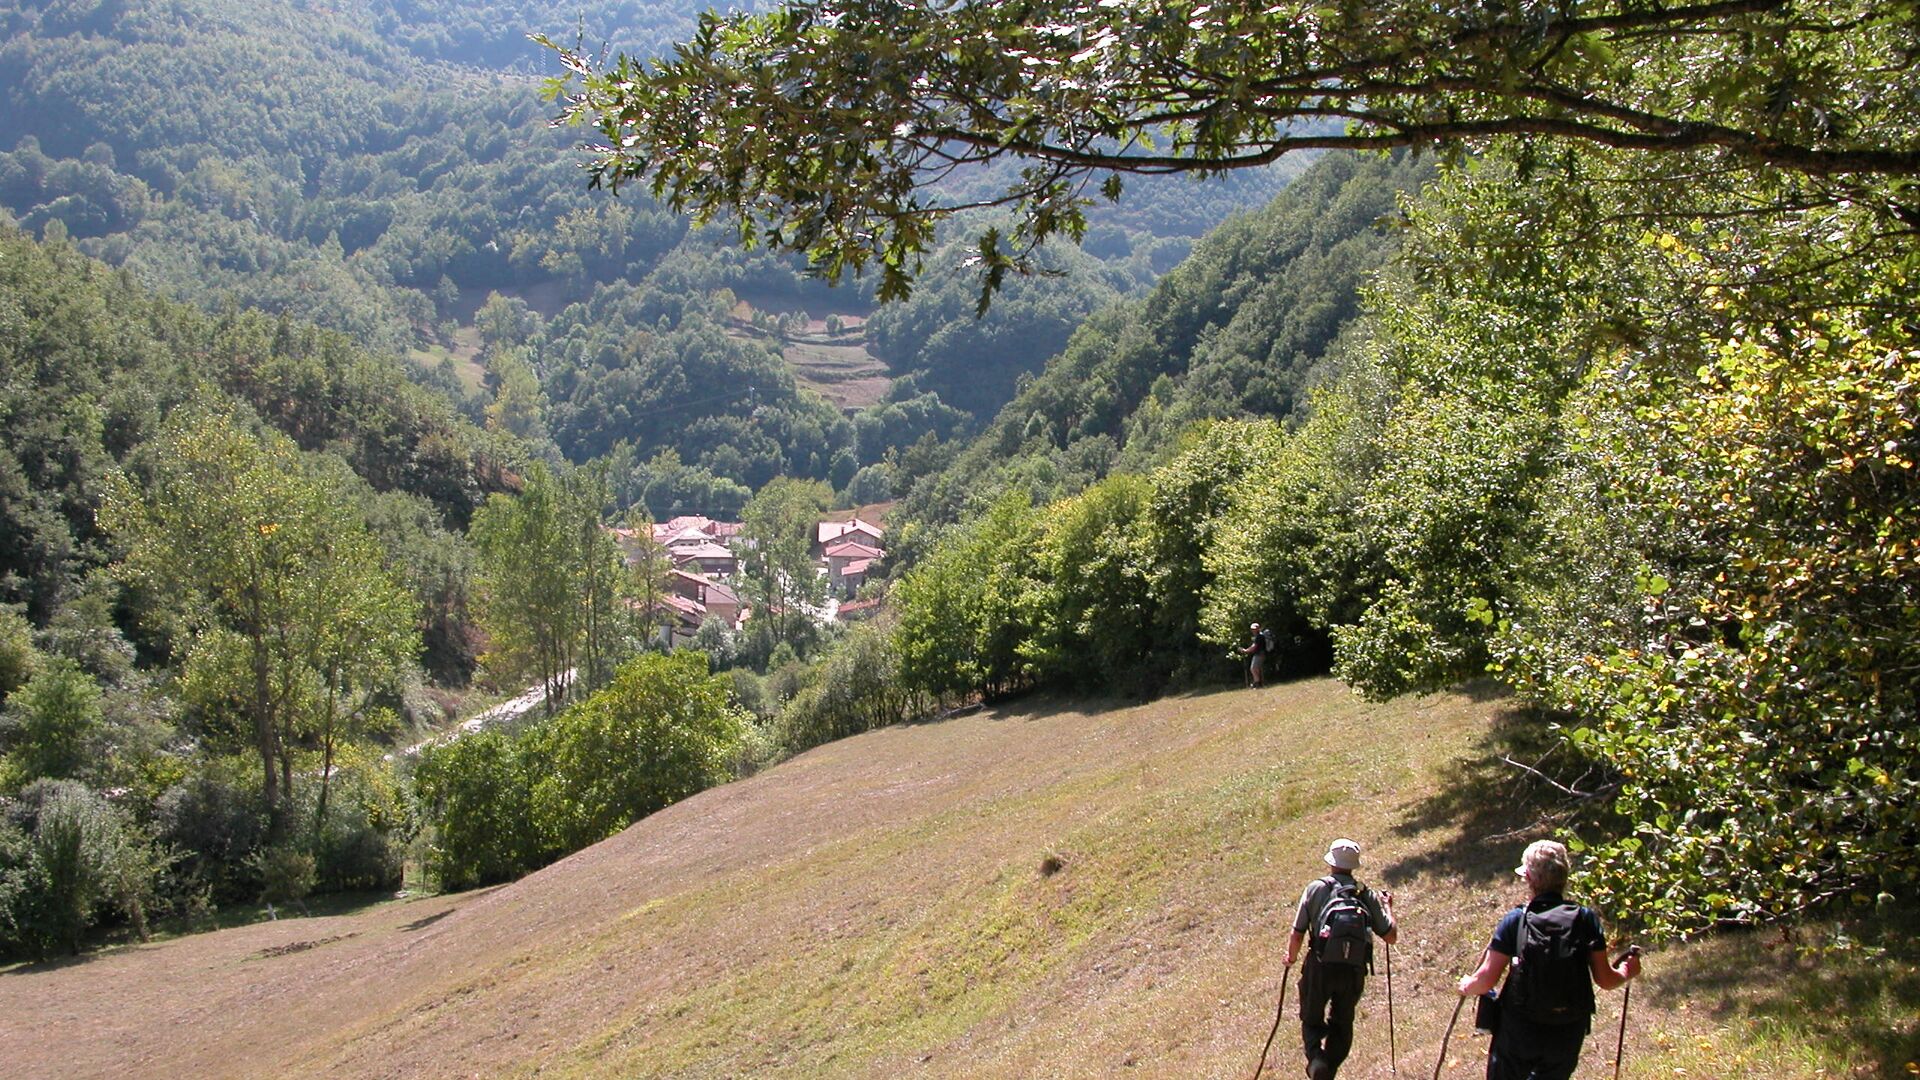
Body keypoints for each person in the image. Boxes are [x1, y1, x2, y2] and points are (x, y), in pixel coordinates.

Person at [1456, 840, 1642, 1080]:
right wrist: (1627, 970)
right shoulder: (1585, 919)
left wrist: (1466, 985)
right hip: (1567, 1030)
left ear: (1530, 878)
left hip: (1519, 1029)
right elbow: (1605, 980)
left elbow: (1486, 980)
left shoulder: (1516, 920)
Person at [1283, 838, 1397, 1080]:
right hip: (1353, 969)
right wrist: (1388, 907)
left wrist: (1291, 958)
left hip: (1320, 965)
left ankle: (1316, 1059)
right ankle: (1328, 1069)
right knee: (1342, 1023)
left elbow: (1298, 932)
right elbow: (1390, 936)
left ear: (1331, 863)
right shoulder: (1365, 894)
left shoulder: (1316, 888)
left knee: (1311, 1019)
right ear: (1354, 865)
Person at [1241, 621, 1271, 688]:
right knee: (1256, 669)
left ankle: (1257, 684)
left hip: (1259, 654)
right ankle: (1258, 683)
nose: (1253, 630)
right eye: (1252, 629)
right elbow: (1253, 645)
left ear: (1258, 629)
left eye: (1255, 629)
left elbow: (1254, 646)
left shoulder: (1259, 636)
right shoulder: (1258, 636)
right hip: (1259, 654)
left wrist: (1246, 650)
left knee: (1253, 668)